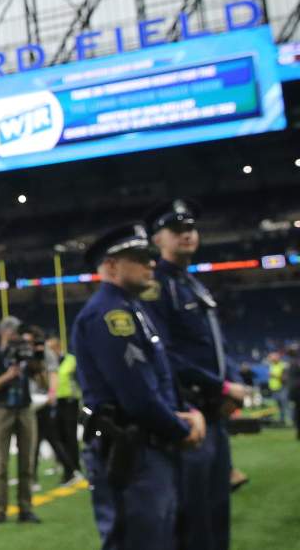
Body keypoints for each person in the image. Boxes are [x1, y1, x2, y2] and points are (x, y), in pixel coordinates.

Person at [73, 223, 206, 550]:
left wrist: (184, 414)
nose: (151, 263)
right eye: (139, 257)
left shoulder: (132, 309)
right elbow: (137, 396)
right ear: (111, 265)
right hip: (133, 452)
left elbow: (158, 381)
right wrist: (181, 428)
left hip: (150, 447)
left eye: (150, 256)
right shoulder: (109, 315)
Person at [142, 199, 248, 550]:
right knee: (195, 519)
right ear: (157, 239)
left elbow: (216, 344)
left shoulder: (193, 284)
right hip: (189, 413)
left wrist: (231, 384)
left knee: (217, 513)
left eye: (190, 228)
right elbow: (164, 354)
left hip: (214, 414)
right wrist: (222, 387)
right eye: (176, 230)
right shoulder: (156, 286)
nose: (186, 234)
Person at [0, 316, 40, 523]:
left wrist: (36, 357)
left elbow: (40, 379)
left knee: (27, 463)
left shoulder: (25, 352)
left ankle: (26, 508)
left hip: (25, 409)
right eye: (13, 332)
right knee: (2, 465)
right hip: (3, 410)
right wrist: (8, 376)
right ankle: (1, 510)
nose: (17, 337)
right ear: (3, 332)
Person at [49, 337, 83, 484]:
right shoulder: (51, 363)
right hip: (57, 403)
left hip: (70, 402)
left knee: (70, 436)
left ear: (57, 348)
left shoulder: (71, 360)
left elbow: (78, 379)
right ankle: (68, 467)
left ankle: (75, 467)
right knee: (58, 436)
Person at [267, 351, 288, 427]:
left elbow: (285, 378)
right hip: (274, 388)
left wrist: (274, 375)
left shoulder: (283, 365)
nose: (271, 359)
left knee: (283, 404)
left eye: (273, 357)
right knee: (277, 406)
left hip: (281, 388)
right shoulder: (271, 365)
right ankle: (279, 420)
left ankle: (284, 420)